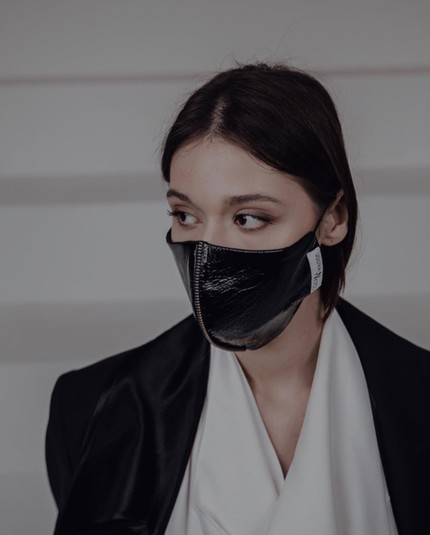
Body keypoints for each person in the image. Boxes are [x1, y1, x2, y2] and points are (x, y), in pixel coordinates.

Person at [45, 62, 430, 535]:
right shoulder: (93, 410)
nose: (208, 251)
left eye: (248, 218)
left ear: (333, 219)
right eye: (185, 215)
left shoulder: (418, 399)